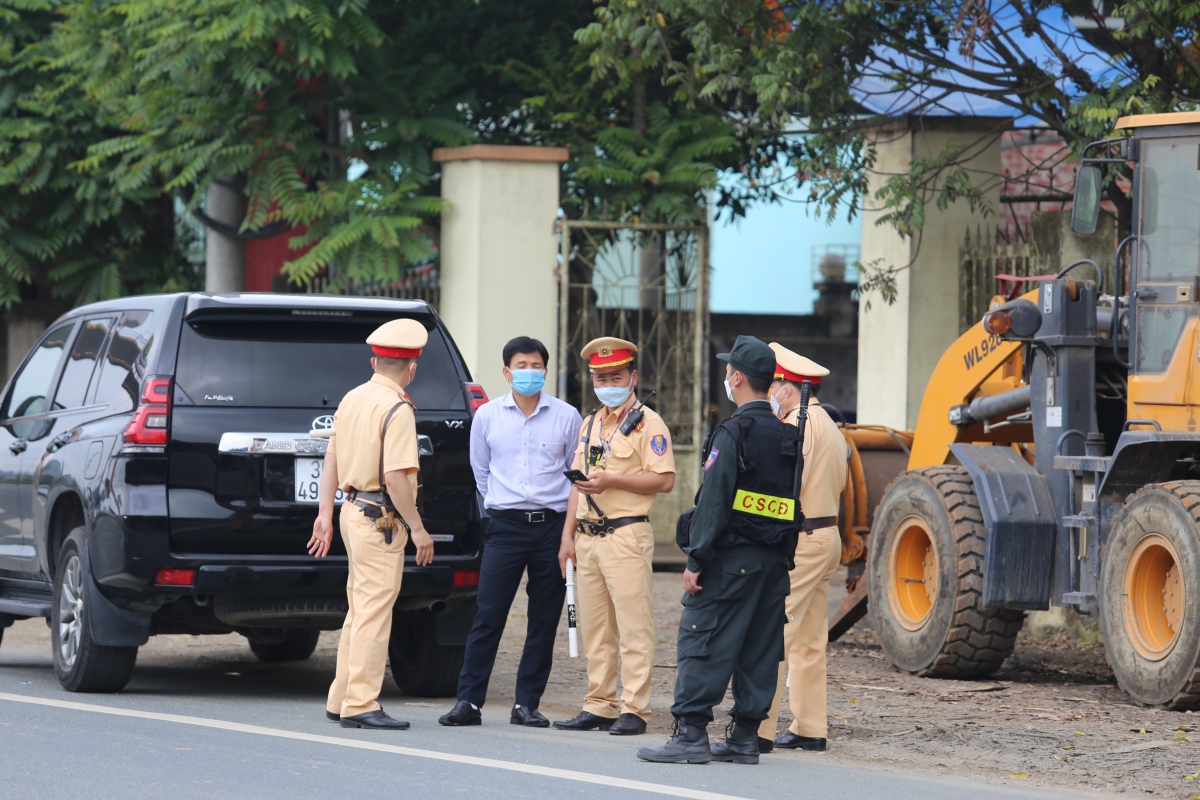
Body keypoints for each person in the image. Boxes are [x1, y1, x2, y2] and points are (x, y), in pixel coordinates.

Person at [637, 335, 797, 766]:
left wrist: (696, 559)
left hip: (729, 562)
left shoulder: (734, 431)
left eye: (729, 370)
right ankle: (745, 738)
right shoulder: (788, 436)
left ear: (738, 377)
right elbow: (790, 503)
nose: (725, 376)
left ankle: (690, 735)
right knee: (759, 649)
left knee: (702, 638)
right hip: (772, 564)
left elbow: (714, 502)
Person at [439, 337, 582, 728]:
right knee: (488, 613)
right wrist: (506, 505)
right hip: (505, 527)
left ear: (546, 371)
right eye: (522, 365)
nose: (530, 372)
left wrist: (567, 532)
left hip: (552, 527)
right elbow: (480, 473)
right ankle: (469, 701)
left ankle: (526, 704)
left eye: (537, 366)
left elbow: (575, 477)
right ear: (506, 371)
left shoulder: (567, 416)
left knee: (543, 617)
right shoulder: (486, 417)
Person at [308, 318, 435, 730]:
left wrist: (324, 514)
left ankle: (342, 697)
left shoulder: (353, 397)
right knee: (374, 614)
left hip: (351, 511)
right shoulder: (397, 408)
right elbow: (397, 477)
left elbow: (331, 459)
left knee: (359, 611)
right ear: (412, 368)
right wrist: (418, 528)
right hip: (380, 519)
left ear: (374, 361)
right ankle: (361, 703)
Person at [554, 337, 675, 737]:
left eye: (616, 376)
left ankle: (635, 708)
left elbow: (665, 480)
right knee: (595, 627)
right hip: (587, 538)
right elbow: (576, 484)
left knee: (633, 626)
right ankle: (599, 703)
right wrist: (567, 536)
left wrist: (612, 480)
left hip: (625, 534)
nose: (608, 383)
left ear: (633, 377)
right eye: (600, 377)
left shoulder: (648, 423)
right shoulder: (591, 423)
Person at [759, 344, 847, 753]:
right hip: (827, 535)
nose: (769, 392)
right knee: (810, 639)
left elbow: (783, 485)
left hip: (803, 539)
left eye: (772, 384)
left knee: (773, 632)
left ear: (785, 386)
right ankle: (810, 727)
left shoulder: (797, 424)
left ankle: (756, 727)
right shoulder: (828, 422)